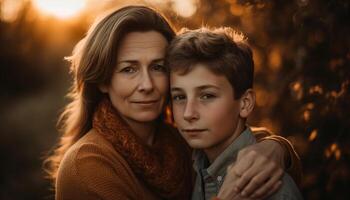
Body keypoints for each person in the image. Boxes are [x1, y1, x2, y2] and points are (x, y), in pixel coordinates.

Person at [44, 5, 300, 200]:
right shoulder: (88, 167)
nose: (146, 85)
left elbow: (241, 141)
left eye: (157, 67)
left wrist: (277, 149)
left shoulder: (181, 138)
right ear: (102, 80)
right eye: (128, 69)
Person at [167, 27, 303, 199]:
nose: (188, 113)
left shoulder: (271, 191)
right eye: (179, 97)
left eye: (207, 95)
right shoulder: (192, 168)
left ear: (245, 103)